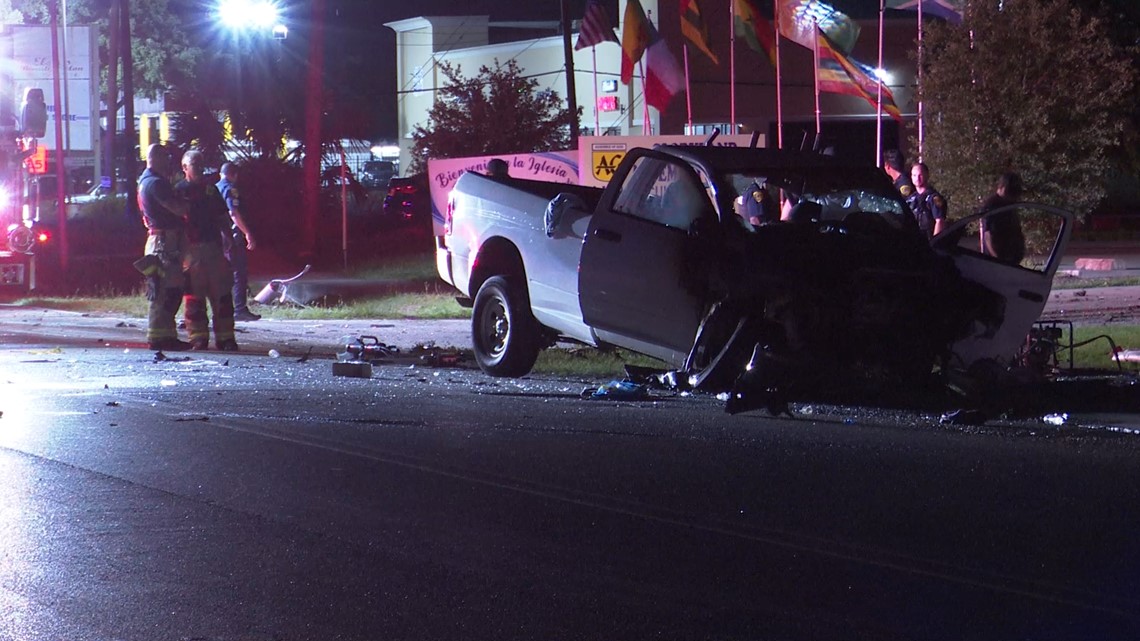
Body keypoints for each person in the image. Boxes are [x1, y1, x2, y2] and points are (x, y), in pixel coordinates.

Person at [175, 150, 239, 351]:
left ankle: (226, 338)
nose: (201, 169)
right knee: (194, 297)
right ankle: (198, 338)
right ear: (185, 168)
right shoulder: (179, 191)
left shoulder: (211, 190)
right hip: (190, 251)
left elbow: (222, 216)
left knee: (222, 295)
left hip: (213, 248)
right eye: (196, 164)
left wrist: (229, 238)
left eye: (202, 164)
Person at [137, 143, 191, 351]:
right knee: (166, 290)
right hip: (164, 243)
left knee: (164, 289)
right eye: (165, 157)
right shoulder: (157, 183)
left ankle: (165, 335)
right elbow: (177, 209)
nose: (169, 161)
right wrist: (188, 204)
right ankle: (160, 338)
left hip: (157, 240)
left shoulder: (144, 181)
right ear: (157, 158)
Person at [216, 162, 260, 321]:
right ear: (234, 175)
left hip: (219, 236)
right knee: (238, 272)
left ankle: (222, 308)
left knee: (222, 274)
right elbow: (233, 213)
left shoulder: (215, 188)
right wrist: (247, 233)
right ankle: (240, 309)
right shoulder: (230, 189)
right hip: (232, 236)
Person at [978, 171, 1026, 265]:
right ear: (1003, 188)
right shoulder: (992, 206)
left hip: (1010, 259)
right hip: (998, 261)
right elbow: (988, 235)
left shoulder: (1009, 205)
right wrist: (998, 260)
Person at [906, 162, 947, 239]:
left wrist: (934, 243)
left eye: (920, 175)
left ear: (927, 175)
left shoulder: (934, 198)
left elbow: (940, 221)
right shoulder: (910, 199)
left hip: (929, 240)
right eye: (914, 175)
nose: (917, 178)